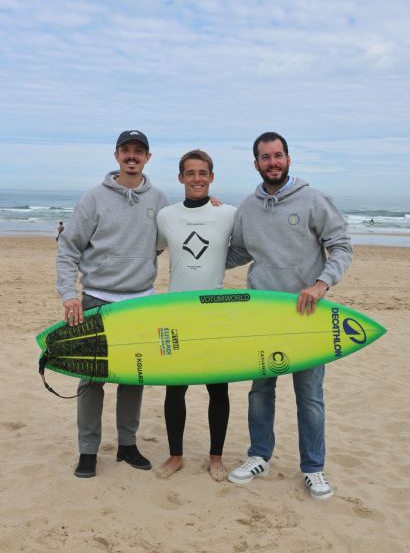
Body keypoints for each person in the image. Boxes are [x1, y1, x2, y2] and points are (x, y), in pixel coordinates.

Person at [226, 132, 352, 499]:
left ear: (288, 159)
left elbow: (341, 246)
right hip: (262, 316)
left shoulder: (313, 199)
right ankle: (259, 455)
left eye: (278, 155)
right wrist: (203, 228)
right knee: (260, 391)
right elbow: (237, 253)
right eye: (265, 157)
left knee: (309, 395)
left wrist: (321, 284)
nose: (273, 162)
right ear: (256, 164)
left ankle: (313, 467)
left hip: (305, 314)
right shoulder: (247, 208)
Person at [56, 130, 168, 478]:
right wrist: (69, 295)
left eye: (139, 151)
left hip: (140, 303)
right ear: (117, 155)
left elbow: (170, 238)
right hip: (97, 299)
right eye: (126, 150)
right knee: (91, 379)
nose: (132, 156)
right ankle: (88, 450)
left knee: (134, 376)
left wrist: (208, 205)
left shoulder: (159, 199)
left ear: (147, 157)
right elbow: (68, 247)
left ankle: (127, 445)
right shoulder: (94, 198)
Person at [156, 150, 236, 481]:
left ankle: (216, 458)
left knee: (218, 389)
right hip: (175, 312)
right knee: (175, 389)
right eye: (190, 173)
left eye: (203, 173)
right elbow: (154, 249)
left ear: (212, 177)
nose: (197, 178)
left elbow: (245, 247)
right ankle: (176, 456)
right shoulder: (165, 216)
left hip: (214, 314)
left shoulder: (228, 213)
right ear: (180, 178)